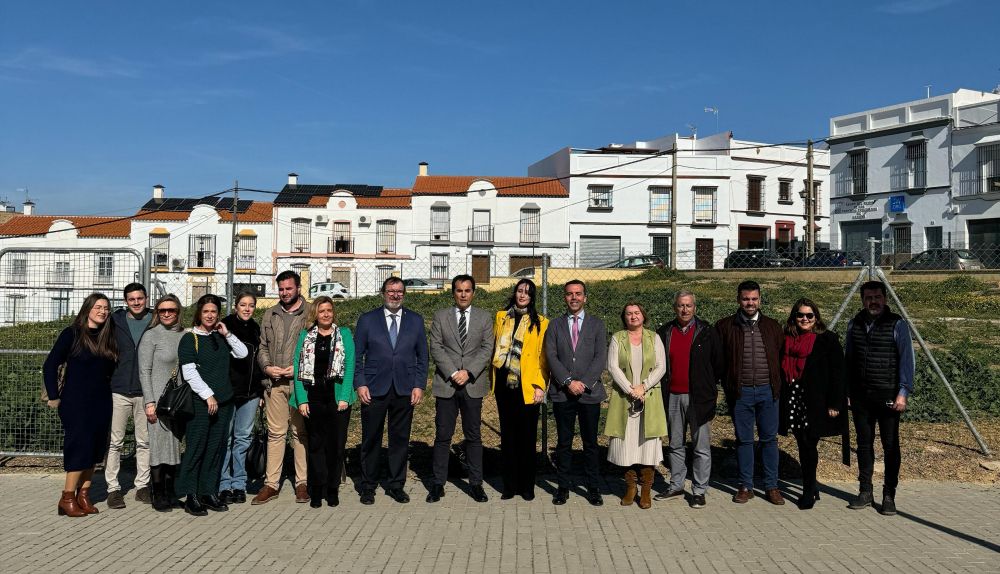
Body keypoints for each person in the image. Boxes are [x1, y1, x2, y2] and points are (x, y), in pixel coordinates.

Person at [354, 276, 429, 505]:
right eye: (391, 291)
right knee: (371, 439)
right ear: (383, 292)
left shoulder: (415, 321)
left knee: (400, 440)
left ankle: (396, 485)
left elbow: (422, 357)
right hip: (374, 388)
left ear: (404, 294)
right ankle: (368, 486)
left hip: (404, 388)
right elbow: (357, 356)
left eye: (399, 292)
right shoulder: (367, 320)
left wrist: (419, 384)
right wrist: (361, 383)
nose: (395, 295)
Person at [44, 293, 118, 517]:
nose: (103, 311)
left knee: (95, 449)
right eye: (98, 307)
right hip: (75, 402)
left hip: (101, 401)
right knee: (79, 447)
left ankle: (83, 495)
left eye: (106, 308)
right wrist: (55, 396)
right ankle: (67, 497)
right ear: (87, 309)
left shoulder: (107, 335)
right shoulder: (72, 333)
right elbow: (50, 365)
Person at [844, 281, 914, 516]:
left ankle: (888, 496)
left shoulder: (897, 324)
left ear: (885, 298)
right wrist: (847, 392)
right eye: (868, 298)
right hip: (861, 396)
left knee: (890, 445)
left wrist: (903, 392)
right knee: (864, 445)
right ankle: (865, 491)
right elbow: (849, 361)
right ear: (862, 300)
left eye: (877, 297)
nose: (872, 302)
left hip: (888, 395)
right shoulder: (854, 324)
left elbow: (906, 360)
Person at [175, 294, 248, 516]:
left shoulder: (220, 337)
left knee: (216, 449)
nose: (210, 315)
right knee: (197, 447)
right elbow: (189, 372)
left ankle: (208, 492)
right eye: (206, 311)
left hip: (224, 402)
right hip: (201, 403)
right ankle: (191, 495)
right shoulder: (190, 339)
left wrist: (227, 333)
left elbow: (242, 353)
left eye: (214, 312)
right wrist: (208, 396)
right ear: (199, 313)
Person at [715, 280, 786, 505]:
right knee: (744, 440)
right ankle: (746, 485)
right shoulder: (725, 326)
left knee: (769, 440)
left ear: (760, 300)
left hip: (768, 391)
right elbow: (719, 361)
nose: (750, 303)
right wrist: (727, 385)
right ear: (738, 300)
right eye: (746, 299)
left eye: (754, 299)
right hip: (741, 393)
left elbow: (781, 357)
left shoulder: (773, 326)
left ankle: (772, 486)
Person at [655, 290, 724, 509]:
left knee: (701, 446)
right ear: (674, 307)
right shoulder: (665, 332)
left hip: (699, 398)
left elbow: (718, 364)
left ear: (695, 307)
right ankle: (676, 484)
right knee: (675, 444)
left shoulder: (706, 331)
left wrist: (709, 390)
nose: (684, 310)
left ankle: (699, 490)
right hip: (672, 396)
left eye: (689, 306)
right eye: (680, 306)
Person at [427, 275, 494, 503]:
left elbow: (487, 348)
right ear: (453, 293)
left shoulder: (484, 318)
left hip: (472, 384)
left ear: (473, 292)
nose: (463, 294)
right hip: (446, 384)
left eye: (467, 290)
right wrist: (453, 372)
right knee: (443, 435)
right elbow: (435, 346)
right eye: (459, 290)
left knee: (473, 436)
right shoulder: (441, 316)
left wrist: (468, 372)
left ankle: (476, 484)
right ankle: (438, 484)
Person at [778, 298, 847, 510]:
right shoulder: (787, 339)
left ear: (816, 317)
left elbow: (838, 373)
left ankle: (809, 489)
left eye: (809, 315)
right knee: (802, 443)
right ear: (794, 317)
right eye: (800, 315)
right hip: (794, 397)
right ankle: (811, 485)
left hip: (816, 400)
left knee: (809, 443)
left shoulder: (827, 340)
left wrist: (835, 403)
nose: (805, 319)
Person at [289, 296, 356, 508]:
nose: (326, 314)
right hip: (313, 398)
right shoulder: (305, 337)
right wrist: (301, 399)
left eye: (329, 310)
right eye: (321, 311)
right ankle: (316, 488)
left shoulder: (344, 334)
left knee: (336, 446)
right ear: (315, 314)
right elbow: (298, 368)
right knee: (316, 446)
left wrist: (345, 396)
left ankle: (332, 488)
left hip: (337, 399)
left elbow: (350, 367)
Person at [545, 279, 608, 506]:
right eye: (570, 294)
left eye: (578, 294)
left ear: (585, 297)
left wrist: (585, 382)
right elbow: (551, 356)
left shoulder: (597, 325)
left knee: (590, 443)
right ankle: (563, 487)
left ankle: (593, 487)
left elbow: (601, 356)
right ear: (564, 297)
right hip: (563, 393)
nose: (574, 298)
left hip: (589, 394)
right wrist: (568, 381)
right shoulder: (555, 325)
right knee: (564, 442)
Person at [254, 270, 310, 505]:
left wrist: (296, 368)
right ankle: (271, 484)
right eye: (281, 289)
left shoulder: (310, 312)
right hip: (275, 383)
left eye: (289, 288)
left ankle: (302, 483)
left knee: (300, 433)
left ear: (298, 288)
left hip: (300, 384)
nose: (285, 292)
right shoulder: (270, 314)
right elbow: (262, 346)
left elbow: (314, 345)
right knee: (276, 434)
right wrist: (267, 367)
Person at [604, 302, 666, 510]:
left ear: (643, 315)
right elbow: (612, 366)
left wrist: (644, 387)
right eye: (629, 314)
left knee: (647, 443)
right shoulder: (617, 338)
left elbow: (661, 366)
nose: (633, 316)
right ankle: (630, 487)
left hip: (649, 398)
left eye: (637, 313)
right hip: (625, 398)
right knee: (626, 445)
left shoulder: (654, 337)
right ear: (624, 317)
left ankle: (646, 489)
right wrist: (631, 390)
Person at [492, 278, 549, 501]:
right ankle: (509, 486)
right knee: (508, 437)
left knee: (527, 438)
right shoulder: (502, 317)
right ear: (514, 293)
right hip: (504, 386)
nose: (522, 295)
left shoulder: (541, 322)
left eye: (527, 292)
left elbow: (543, 359)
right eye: (519, 291)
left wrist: (540, 386)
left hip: (528, 387)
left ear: (532, 297)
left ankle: (527, 487)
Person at [106, 282, 153, 509]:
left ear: (146, 298)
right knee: (115, 442)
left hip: (145, 391)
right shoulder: (115, 321)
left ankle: (142, 486)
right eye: (132, 299)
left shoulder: (154, 320)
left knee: (144, 442)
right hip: (119, 390)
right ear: (126, 301)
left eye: (140, 298)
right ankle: (113, 489)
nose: (136, 302)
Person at [138, 294, 187, 512]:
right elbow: (144, 371)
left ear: (178, 312)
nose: (166, 314)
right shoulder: (151, 336)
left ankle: (170, 491)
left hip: (178, 401)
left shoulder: (186, 335)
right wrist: (149, 401)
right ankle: (157, 493)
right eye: (162, 311)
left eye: (171, 310)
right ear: (157, 313)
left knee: (174, 446)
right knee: (158, 447)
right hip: (158, 400)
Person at [219, 292, 266, 505]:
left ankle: (239, 483)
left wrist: (261, 390)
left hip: (251, 393)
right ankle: (223, 483)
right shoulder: (224, 326)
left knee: (243, 439)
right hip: (229, 392)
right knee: (226, 439)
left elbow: (260, 361)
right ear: (235, 306)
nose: (247, 309)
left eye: (251, 305)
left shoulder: (256, 328)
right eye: (243, 305)